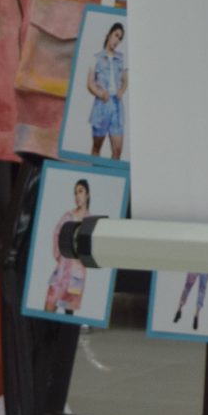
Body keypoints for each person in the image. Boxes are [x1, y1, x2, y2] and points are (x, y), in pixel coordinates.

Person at [40, 179, 94, 316]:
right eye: (75, 193)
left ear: (88, 194)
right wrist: (59, 255)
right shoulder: (67, 216)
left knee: (69, 314)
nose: (77, 196)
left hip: (76, 275)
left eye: (80, 191)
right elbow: (56, 234)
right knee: (49, 307)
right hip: (61, 271)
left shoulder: (91, 221)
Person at [86, 21, 128, 159]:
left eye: (120, 38)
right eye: (116, 35)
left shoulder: (121, 59)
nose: (117, 40)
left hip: (117, 106)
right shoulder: (96, 57)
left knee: (117, 151)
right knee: (97, 147)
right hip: (101, 105)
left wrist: (122, 90)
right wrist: (100, 93)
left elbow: (125, 79)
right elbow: (90, 83)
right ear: (109, 34)